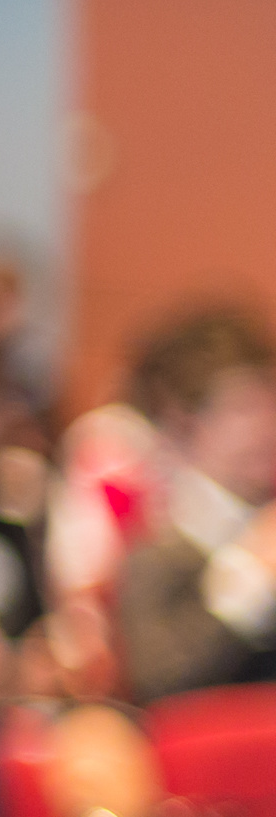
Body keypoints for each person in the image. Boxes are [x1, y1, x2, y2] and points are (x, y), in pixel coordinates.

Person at [115, 300, 276, 703]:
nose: (266, 427)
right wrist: (253, 572)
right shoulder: (157, 552)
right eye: (242, 408)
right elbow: (160, 681)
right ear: (184, 421)